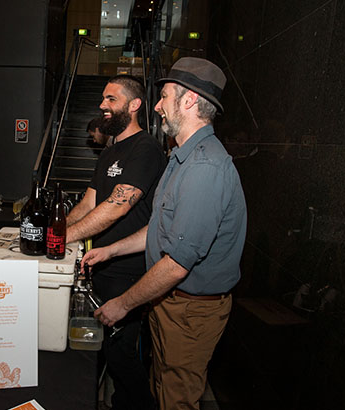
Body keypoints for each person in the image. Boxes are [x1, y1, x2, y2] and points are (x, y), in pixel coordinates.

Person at [82, 57, 247, 410]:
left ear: (188, 101)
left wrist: (122, 305)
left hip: (191, 310)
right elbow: (158, 229)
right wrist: (109, 251)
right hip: (169, 302)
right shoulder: (180, 157)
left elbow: (177, 263)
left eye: (165, 96)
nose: (157, 106)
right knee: (160, 387)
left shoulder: (204, 168)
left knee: (176, 399)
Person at [67, 75, 166, 410]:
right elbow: (89, 203)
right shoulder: (110, 152)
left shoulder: (146, 149)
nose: (102, 106)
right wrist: (58, 231)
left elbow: (117, 207)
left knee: (120, 350)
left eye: (111, 99)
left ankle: (140, 405)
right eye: (103, 99)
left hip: (129, 269)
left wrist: (69, 236)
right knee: (107, 347)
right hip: (104, 264)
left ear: (134, 105)